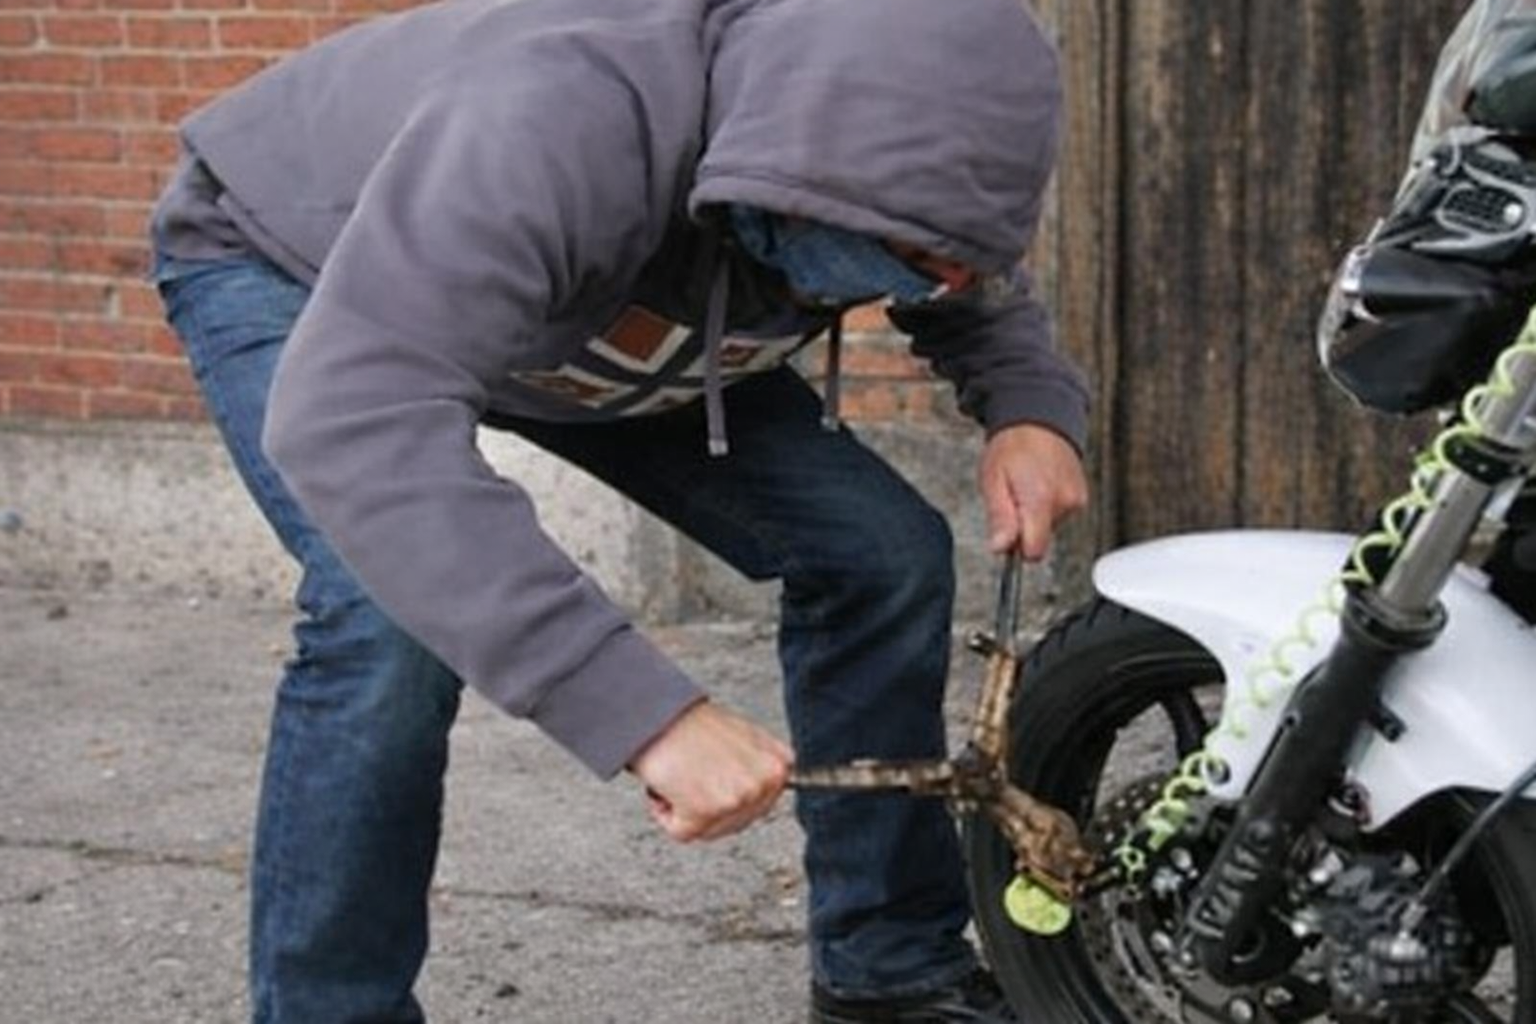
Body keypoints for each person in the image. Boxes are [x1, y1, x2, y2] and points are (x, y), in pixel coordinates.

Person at [147, 0, 1090, 1021]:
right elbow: (357, 418)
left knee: (881, 553)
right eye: (920, 256)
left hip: (592, 314)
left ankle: (890, 968)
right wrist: (643, 711)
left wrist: (1027, 408)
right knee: (385, 618)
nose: (946, 281)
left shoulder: (853, 154)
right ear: (799, 157)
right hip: (298, 262)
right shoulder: (554, 120)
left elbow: (960, 258)